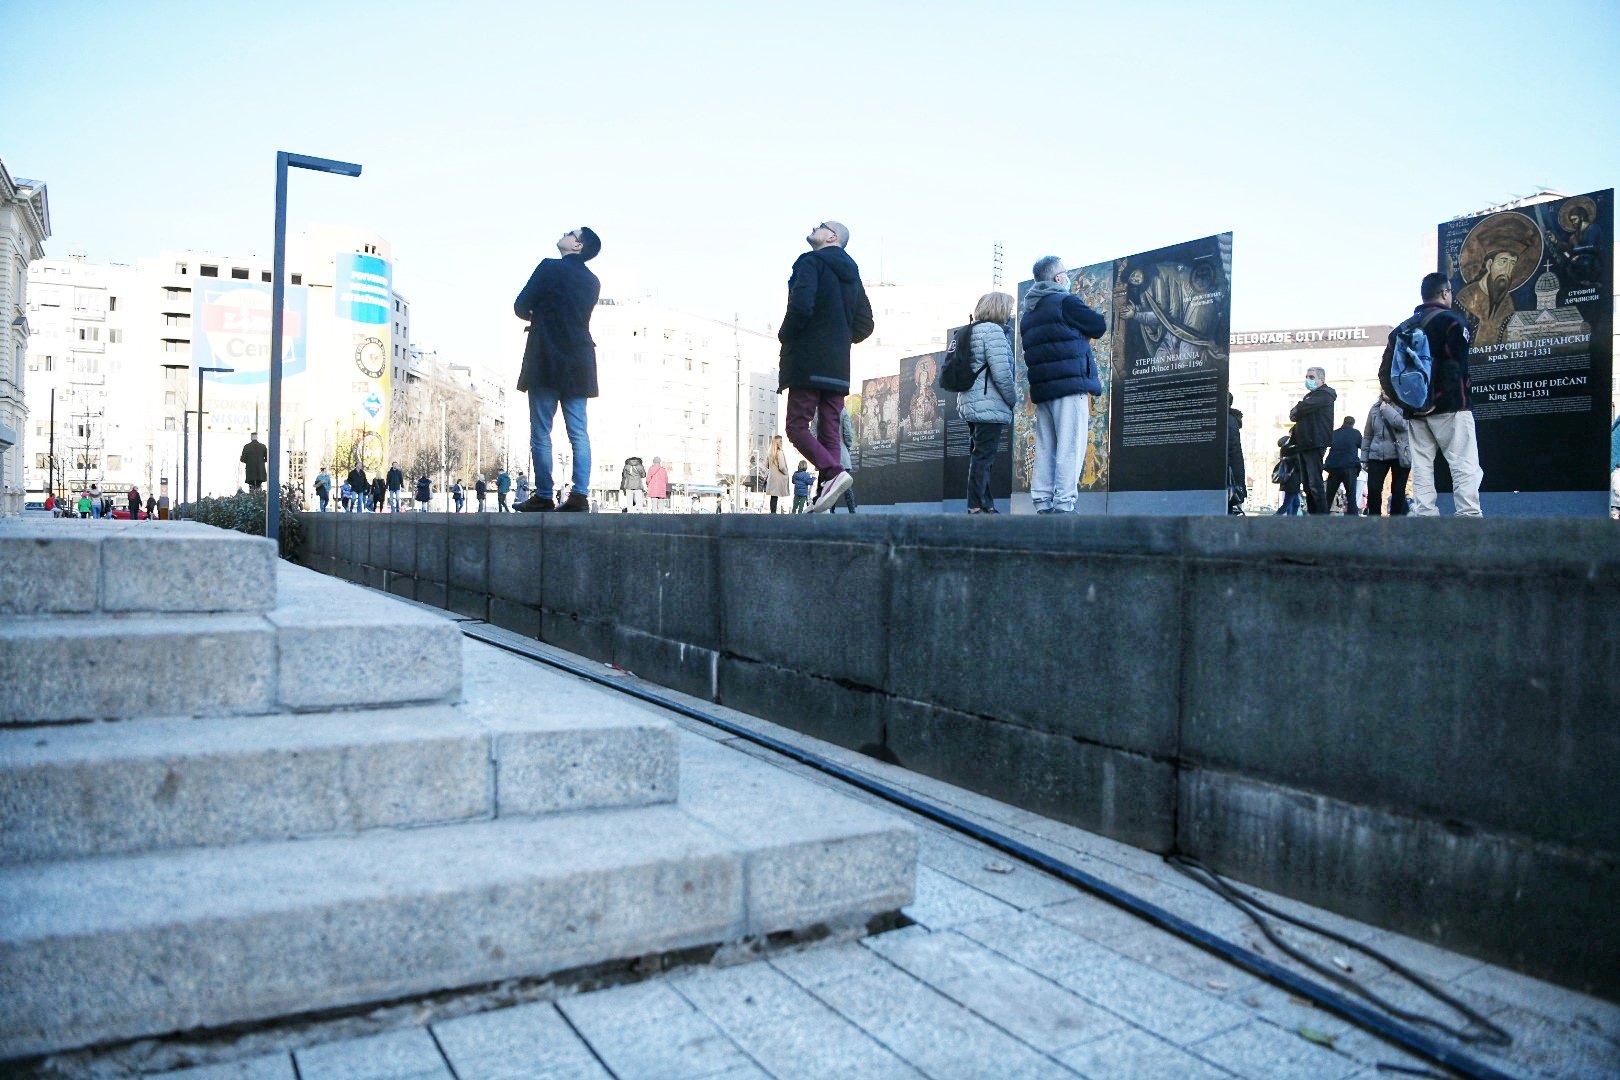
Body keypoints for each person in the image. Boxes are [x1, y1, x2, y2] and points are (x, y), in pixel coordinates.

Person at [778, 220, 874, 513]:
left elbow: (801, 305)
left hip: (807, 358)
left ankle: (833, 473)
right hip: (837, 365)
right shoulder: (853, 275)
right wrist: (838, 339)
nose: (814, 227)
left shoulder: (810, 262)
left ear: (832, 237)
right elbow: (865, 324)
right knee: (829, 431)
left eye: (820, 226)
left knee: (796, 426)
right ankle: (824, 497)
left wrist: (788, 335)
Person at [513, 226, 602, 513]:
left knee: (541, 431)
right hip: (579, 360)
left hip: (546, 357)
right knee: (579, 431)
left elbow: (521, 305)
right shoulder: (593, 281)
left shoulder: (549, 268)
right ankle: (579, 495)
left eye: (571, 233)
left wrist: (536, 314)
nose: (565, 234)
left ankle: (543, 495)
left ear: (577, 246)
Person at [1379, 273, 1482, 516]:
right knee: (1463, 463)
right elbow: (1456, 366)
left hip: (1415, 412)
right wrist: (1437, 400)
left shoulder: (1401, 330)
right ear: (1445, 293)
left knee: (1422, 466)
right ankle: (1468, 516)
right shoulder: (1452, 322)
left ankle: (1425, 515)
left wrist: (1410, 402)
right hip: (1451, 408)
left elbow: (1385, 373)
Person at [1019, 257, 1107, 514]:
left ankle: (1042, 502)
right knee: (1071, 445)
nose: (1067, 278)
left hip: (1044, 390)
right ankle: (1065, 504)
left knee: (1046, 446)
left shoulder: (1030, 312)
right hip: (1070, 386)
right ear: (1058, 279)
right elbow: (1098, 325)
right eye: (1065, 273)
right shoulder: (1065, 302)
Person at [956, 292, 1018, 514]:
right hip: (989, 404)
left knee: (981, 454)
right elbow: (1002, 373)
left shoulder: (972, 331)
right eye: (1008, 309)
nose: (1010, 313)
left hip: (970, 402)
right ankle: (975, 505)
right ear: (1000, 309)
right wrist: (1012, 399)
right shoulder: (993, 332)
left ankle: (986, 503)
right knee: (984, 456)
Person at [1288, 366, 1336, 514]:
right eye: (1307, 377)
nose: (1308, 380)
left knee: (1315, 483)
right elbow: (1294, 414)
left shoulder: (1324, 395)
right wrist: (1298, 409)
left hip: (1314, 442)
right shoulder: (1311, 396)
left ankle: (1321, 516)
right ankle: (1314, 514)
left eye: (1312, 377)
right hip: (1305, 443)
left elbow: (1300, 409)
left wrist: (1298, 408)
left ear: (1321, 379)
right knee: (1308, 484)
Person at [1362, 393, 1411, 516]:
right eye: (1383, 389)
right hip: (1377, 454)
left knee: (1398, 490)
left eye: (1388, 389)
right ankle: (1374, 520)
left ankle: (1396, 521)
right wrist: (1364, 458)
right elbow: (1368, 434)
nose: (1385, 392)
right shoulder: (1375, 408)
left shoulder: (1404, 406)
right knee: (1373, 489)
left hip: (1399, 454)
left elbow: (1403, 425)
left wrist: (1387, 409)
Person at [1322, 416, 1362, 516]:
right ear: (1353, 423)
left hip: (1334, 467)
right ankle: (1352, 519)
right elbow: (1362, 445)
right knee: (1351, 496)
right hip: (1349, 467)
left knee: (1329, 496)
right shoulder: (1356, 433)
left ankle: (1322, 516)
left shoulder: (1335, 433)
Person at [1227, 393, 1247, 514]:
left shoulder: (1227, 419)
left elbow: (1231, 449)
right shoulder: (1231, 419)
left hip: (1224, 469)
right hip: (1231, 467)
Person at [1274, 436, 1302, 516]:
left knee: (1295, 503)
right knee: (1288, 503)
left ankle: (1292, 519)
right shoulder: (1290, 450)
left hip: (1289, 480)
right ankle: (1277, 516)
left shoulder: (1284, 451)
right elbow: (1298, 463)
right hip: (1292, 480)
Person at [835, 408, 857, 512]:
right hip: (841, 455)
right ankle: (852, 512)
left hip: (825, 455)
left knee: (828, 488)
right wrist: (846, 446)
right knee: (846, 486)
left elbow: (814, 433)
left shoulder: (820, 411)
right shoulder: (842, 412)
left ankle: (829, 513)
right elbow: (848, 433)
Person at [765, 434, 791, 513]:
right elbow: (782, 466)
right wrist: (786, 472)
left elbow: (766, 465)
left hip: (772, 477)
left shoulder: (770, 453)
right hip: (778, 478)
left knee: (773, 496)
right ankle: (774, 513)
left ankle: (772, 512)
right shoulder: (779, 452)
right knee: (775, 496)